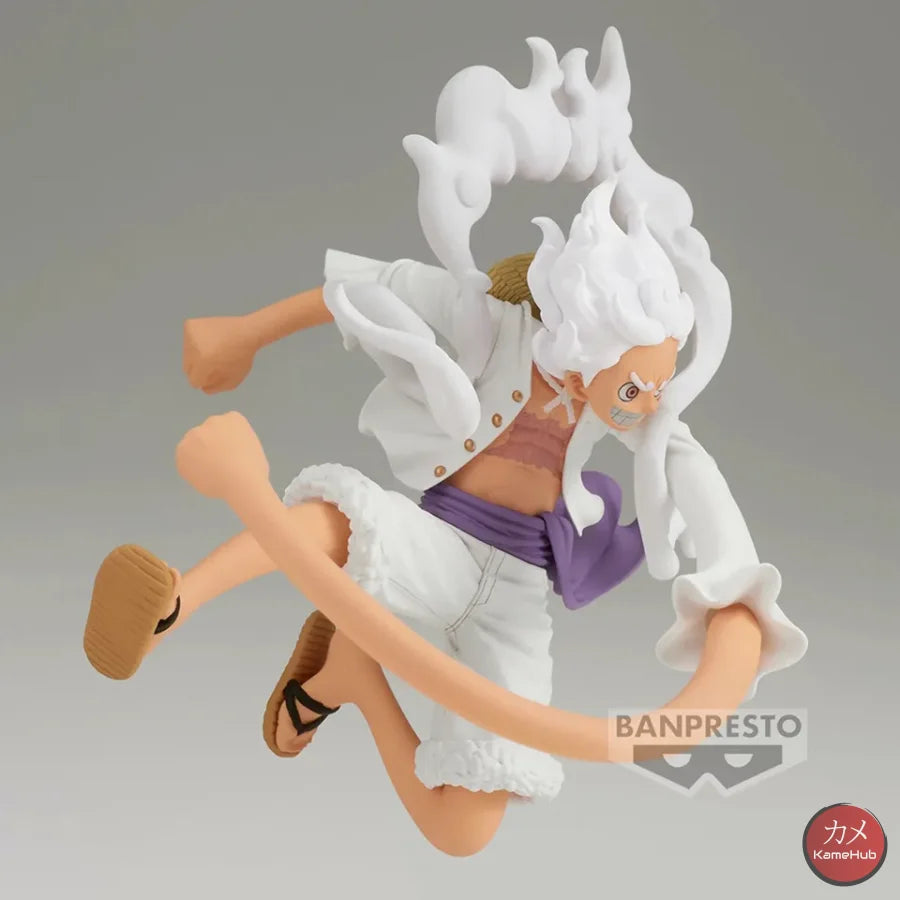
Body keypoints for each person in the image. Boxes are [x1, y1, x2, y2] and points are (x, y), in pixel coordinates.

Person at [84, 181, 807, 856]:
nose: (652, 402)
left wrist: (734, 596)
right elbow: (366, 289)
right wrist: (244, 333)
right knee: (335, 519)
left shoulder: (640, 414)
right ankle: (174, 603)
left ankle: (354, 675)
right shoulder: (487, 320)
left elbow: (694, 479)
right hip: (442, 542)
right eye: (637, 385)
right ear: (587, 348)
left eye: (660, 384)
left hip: (515, 600)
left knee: (461, 831)